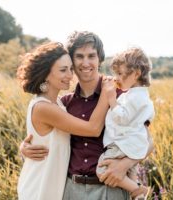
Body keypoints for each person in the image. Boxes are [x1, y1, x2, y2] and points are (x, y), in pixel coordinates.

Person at [20, 31, 148, 200]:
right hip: (70, 190)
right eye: (79, 56)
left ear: (99, 59)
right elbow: (46, 135)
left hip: (110, 189)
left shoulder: (120, 96)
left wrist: (124, 165)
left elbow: (148, 141)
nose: (86, 63)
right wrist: (24, 148)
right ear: (71, 60)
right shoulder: (63, 104)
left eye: (91, 56)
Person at [16, 41, 111, 200]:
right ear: (46, 74)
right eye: (63, 70)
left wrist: (23, 147)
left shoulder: (60, 103)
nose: (70, 75)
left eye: (70, 69)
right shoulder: (43, 107)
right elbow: (93, 129)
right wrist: (106, 93)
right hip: (40, 185)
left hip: (56, 185)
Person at [96, 47, 155, 199]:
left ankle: (138, 190)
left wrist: (111, 98)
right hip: (132, 144)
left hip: (122, 144)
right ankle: (136, 193)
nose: (117, 78)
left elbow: (122, 118)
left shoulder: (134, 97)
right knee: (131, 173)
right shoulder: (140, 96)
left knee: (102, 170)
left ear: (136, 73)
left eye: (121, 74)